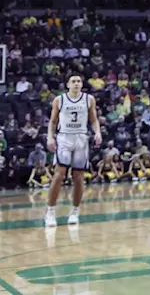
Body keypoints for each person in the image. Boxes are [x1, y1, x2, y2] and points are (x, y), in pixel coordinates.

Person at [45, 74, 102, 227]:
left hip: (81, 138)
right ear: (68, 84)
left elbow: (93, 119)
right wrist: (50, 138)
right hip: (64, 138)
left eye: (79, 81)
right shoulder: (59, 100)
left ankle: (75, 211)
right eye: (73, 81)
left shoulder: (89, 99)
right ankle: (50, 212)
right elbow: (53, 121)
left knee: (78, 176)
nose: (76, 83)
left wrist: (97, 132)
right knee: (59, 174)